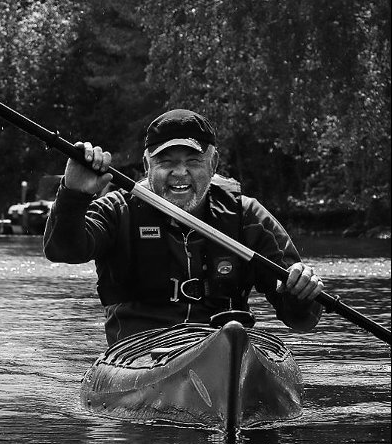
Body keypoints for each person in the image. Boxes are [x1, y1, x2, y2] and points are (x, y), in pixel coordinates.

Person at [42, 108, 324, 345]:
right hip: (138, 352)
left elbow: (301, 319)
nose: (180, 173)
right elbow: (61, 250)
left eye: (193, 161)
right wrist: (74, 194)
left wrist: (299, 289)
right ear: (146, 164)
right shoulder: (117, 210)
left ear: (213, 164)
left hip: (227, 345)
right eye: (166, 162)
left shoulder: (248, 216)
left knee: (236, 334)